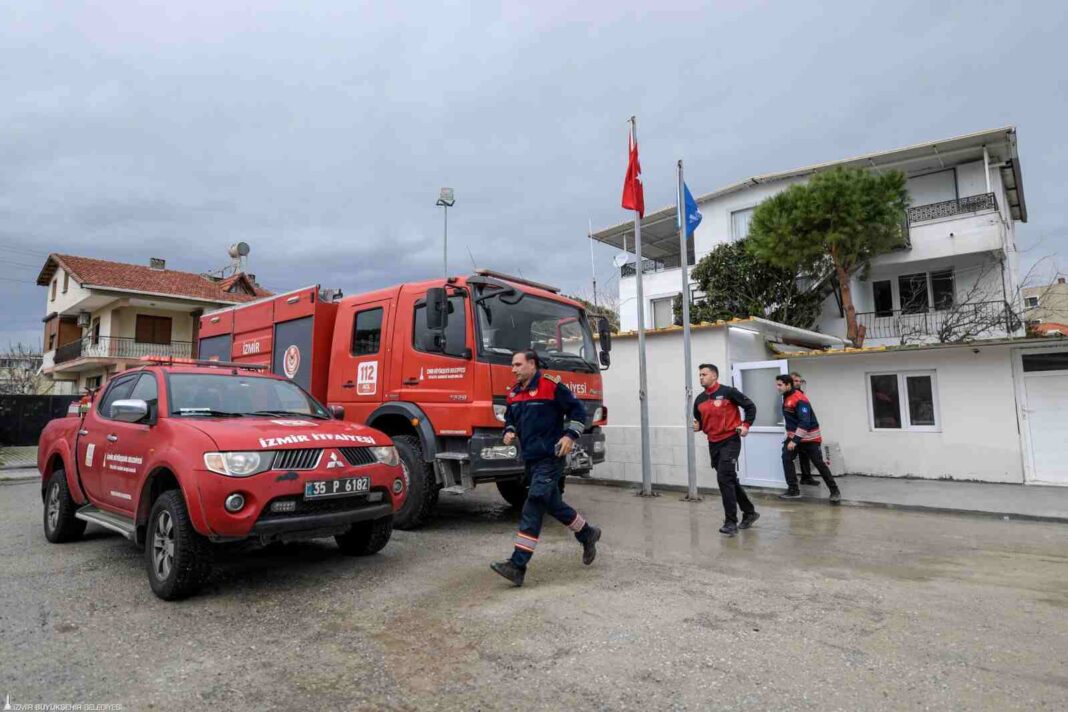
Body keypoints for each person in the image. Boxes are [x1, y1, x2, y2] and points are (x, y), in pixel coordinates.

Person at [490, 350, 601, 587]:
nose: (513, 369)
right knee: (553, 504)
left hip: (551, 458)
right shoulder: (514, 393)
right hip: (530, 459)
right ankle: (587, 533)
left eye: (518, 365)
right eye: (513, 365)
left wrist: (570, 436)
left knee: (533, 504)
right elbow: (510, 419)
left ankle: (517, 565)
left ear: (532, 364)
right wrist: (509, 431)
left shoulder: (551, 386)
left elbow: (578, 412)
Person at [692, 363, 758, 536]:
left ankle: (731, 522)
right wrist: (698, 426)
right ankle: (750, 512)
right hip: (713, 443)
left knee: (723, 478)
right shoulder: (699, 399)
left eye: (704, 374)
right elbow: (699, 421)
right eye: (699, 375)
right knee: (729, 479)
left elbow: (750, 406)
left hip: (730, 440)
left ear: (714, 376)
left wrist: (746, 425)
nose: (701, 377)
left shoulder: (729, 392)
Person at [775, 374, 841, 503]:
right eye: (777, 384)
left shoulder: (799, 399)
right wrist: (791, 438)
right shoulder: (786, 397)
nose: (777, 387)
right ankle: (793, 490)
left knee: (819, 464)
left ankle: (835, 491)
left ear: (788, 385)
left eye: (780, 385)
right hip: (795, 437)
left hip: (810, 438)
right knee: (786, 458)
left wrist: (794, 441)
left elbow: (804, 422)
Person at [790, 372, 820, 487]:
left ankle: (806, 477)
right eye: (795, 381)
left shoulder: (800, 394)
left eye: (799, 381)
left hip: (802, 431)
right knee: (789, 457)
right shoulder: (789, 395)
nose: (798, 383)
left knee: (804, 455)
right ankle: (792, 485)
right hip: (794, 431)